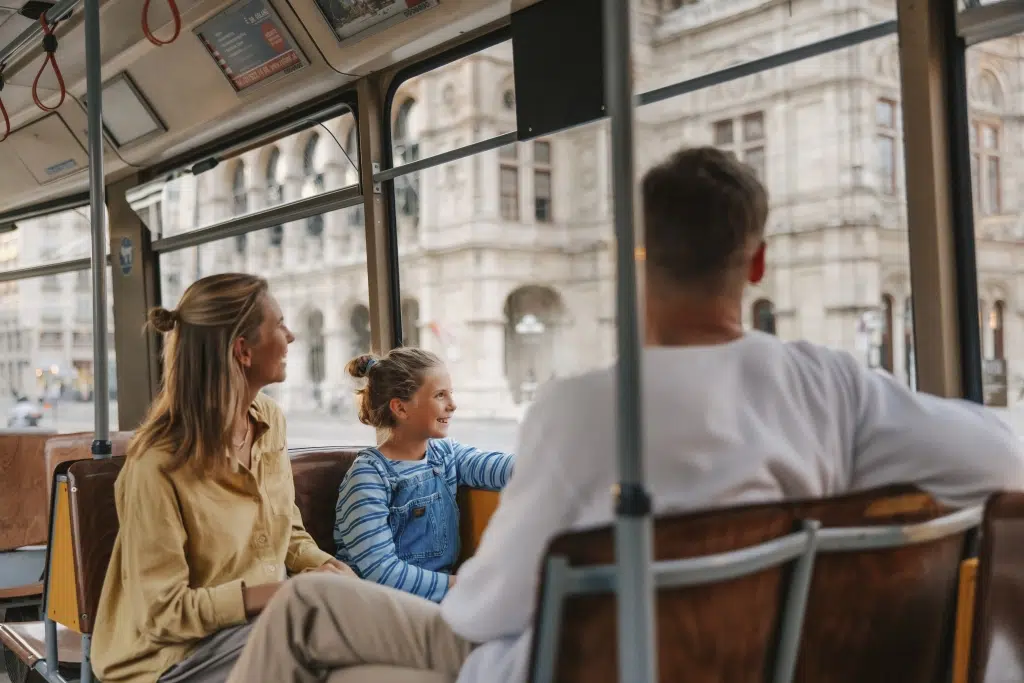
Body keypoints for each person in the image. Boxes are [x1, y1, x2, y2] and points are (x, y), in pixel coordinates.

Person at [224, 147, 1024, 683]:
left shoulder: (581, 409)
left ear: (632, 257)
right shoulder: (831, 386)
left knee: (307, 615)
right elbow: (1003, 459)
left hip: (559, 665)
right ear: (755, 262)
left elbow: (480, 612)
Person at [91, 273, 352, 683]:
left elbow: (287, 529)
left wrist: (330, 568)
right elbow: (163, 615)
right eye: (280, 324)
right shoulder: (156, 467)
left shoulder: (269, 422)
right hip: (169, 660)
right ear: (243, 351)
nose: (292, 335)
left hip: (254, 632)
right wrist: (281, 595)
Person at [333, 348, 515, 602]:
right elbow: (382, 573)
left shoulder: (446, 454)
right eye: (440, 395)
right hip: (380, 605)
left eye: (451, 394)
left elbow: (498, 468)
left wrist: (549, 462)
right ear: (401, 408)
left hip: (438, 598)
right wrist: (465, 586)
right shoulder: (368, 477)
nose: (452, 405)